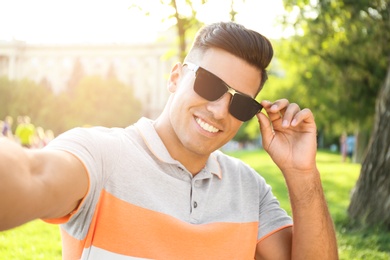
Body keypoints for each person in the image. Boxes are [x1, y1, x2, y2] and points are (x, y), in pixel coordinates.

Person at [0, 22, 338, 259]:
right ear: (176, 77)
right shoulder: (102, 155)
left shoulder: (249, 188)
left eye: (241, 103)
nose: (220, 110)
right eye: (209, 84)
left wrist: (301, 173)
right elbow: (32, 176)